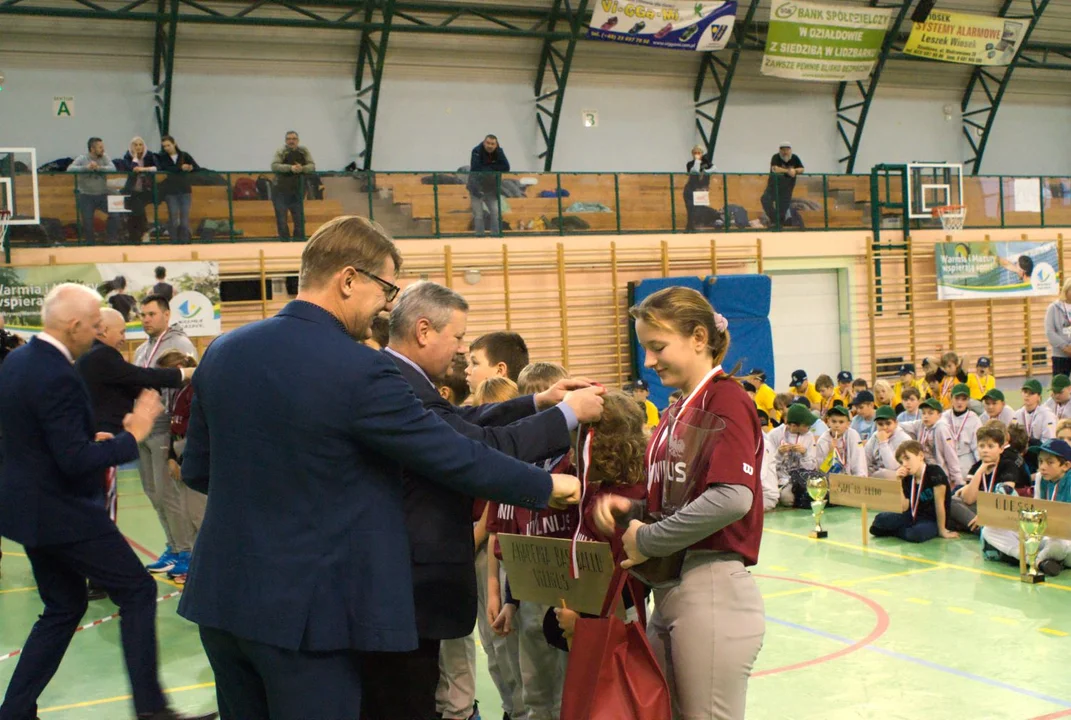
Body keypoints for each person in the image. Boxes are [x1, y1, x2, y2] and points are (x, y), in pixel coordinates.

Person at [177, 216, 582, 719]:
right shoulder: (359, 367)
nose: (387, 304)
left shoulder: (223, 351)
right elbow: (453, 456)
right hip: (309, 612)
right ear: (348, 280)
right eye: (384, 288)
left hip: (223, 601)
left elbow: (199, 470)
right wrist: (545, 485)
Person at [362, 281, 603, 720]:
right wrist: (566, 419)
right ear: (423, 331)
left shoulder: (403, 380)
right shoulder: (396, 383)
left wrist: (537, 402)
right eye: (456, 339)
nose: (458, 352)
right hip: (410, 582)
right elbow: (477, 444)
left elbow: (461, 421)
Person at [0, 283, 215, 720]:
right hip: (65, 513)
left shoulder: (19, 361)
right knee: (136, 592)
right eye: (96, 326)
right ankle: (152, 710)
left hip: (28, 512)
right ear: (75, 326)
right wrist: (131, 435)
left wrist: (85, 438)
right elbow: (75, 462)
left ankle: (15, 709)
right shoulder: (57, 373)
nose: (101, 333)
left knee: (63, 607)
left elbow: (35, 437)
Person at [593, 286, 765, 720]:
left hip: (710, 587)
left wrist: (648, 538)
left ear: (699, 338)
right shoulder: (677, 412)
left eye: (657, 347)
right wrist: (630, 512)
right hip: (673, 590)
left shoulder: (724, 398)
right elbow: (677, 500)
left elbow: (732, 498)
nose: (649, 361)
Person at [133, 294, 200, 579]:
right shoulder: (139, 350)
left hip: (165, 429)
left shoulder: (179, 344)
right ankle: (173, 547)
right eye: (143, 315)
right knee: (153, 493)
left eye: (151, 314)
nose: (146, 319)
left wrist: (176, 440)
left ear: (166, 315)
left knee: (168, 493)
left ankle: (186, 550)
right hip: (144, 428)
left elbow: (184, 390)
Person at [981, 438, 1071, 576]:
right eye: (1040, 461)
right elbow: (1037, 509)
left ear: (1065, 466)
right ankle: (1037, 562)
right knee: (989, 530)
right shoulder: (1041, 478)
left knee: (1058, 545)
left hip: (1065, 540)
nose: (1042, 467)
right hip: (1045, 534)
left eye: (1050, 462)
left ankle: (1036, 560)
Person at [869, 441, 958, 543]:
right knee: (880, 518)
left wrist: (942, 530)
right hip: (911, 515)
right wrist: (898, 481)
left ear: (920, 456)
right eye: (901, 462)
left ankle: (895, 532)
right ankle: (901, 531)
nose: (905, 464)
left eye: (907, 458)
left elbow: (940, 504)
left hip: (930, 519)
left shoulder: (935, 472)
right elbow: (904, 507)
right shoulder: (907, 477)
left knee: (916, 534)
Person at [950, 421, 1029, 533]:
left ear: (1001, 449)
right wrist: (980, 470)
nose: (985, 450)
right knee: (952, 501)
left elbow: (1005, 499)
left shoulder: (1008, 465)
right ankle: (983, 529)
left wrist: (985, 516)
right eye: (981, 446)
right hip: (980, 508)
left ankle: (982, 528)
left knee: (953, 519)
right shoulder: (976, 467)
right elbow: (969, 499)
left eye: (990, 446)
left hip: (1000, 512)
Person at [67, 136, 121, 244]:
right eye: (100, 147)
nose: (103, 149)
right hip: (86, 196)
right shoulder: (82, 158)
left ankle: (111, 239)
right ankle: (90, 245)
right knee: (87, 223)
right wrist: (86, 168)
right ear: (92, 149)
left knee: (116, 214)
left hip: (102, 194)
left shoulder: (104, 157)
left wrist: (99, 168)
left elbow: (113, 168)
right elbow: (69, 169)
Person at [900, 397, 964, 489]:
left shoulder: (942, 428)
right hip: (924, 472)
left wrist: (958, 481)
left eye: (930, 413)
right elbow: (902, 425)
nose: (926, 416)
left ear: (939, 415)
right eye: (923, 413)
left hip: (939, 475)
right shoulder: (921, 424)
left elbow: (951, 455)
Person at [768, 403, 818, 507]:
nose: (809, 428)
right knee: (785, 498)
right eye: (805, 425)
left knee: (791, 498)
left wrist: (805, 453)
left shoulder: (809, 436)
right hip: (778, 478)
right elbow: (768, 465)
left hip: (801, 479)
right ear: (794, 425)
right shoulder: (774, 435)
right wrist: (779, 454)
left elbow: (811, 468)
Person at [271, 131, 316, 240]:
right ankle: (284, 245)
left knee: (299, 221)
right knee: (282, 221)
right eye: (289, 139)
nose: (291, 141)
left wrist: (302, 168)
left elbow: (312, 166)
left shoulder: (303, 151)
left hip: (297, 192)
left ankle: (298, 245)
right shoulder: (281, 151)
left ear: (298, 140)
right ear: (286, 141)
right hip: (280, 192)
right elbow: (274, 166)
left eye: (294, 139)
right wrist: (290, 168)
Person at [156, 135, 200, 243]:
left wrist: (190, 168)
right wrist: (181, 168)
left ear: (174, 143)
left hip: (185, 190)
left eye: (168, 145)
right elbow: (166, 168)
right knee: (173, 219)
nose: (166, 148)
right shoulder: (162, 157)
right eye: (164, 146)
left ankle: (184, 242)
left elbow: (196, 167)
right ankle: (174, 242)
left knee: (184, 220)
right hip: (171, 191)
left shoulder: (184, 155)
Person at [117, 136, 158, 244]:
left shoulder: (149, 156)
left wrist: (143, 169)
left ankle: (141, 232)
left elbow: (156, 168)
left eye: (140, 144)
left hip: (147, 190)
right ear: (131, 147)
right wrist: (135, 157)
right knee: (134, 210)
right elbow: (133, 168)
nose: (138, 147)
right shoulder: (127, 157)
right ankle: (141, 233)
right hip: (131, 190)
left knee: (136, 206)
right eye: (135, 145)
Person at [467, 135, 510, 236]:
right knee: (478, 215)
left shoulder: (499, 152)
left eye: (492, 144)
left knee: (495, 212)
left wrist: (487, 167)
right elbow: (477, 168)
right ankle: (480, 236)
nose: (490, 146)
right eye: (488, 143)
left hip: (491, 188)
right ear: (484, 142)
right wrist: (494, 167)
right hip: (476, 188)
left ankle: (495, 235)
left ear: (496, 145)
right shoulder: (476, 151)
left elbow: (506, 167)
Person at [761, 142, 803, 228]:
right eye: (783, 150)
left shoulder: (795, 158)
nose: (785, 152)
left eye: (787, 150)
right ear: (780, 151)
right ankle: (774, 219)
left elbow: (802, 168)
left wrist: (795, 171)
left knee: (783, 207)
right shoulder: (776, 157)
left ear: (790, 150)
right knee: (765, 199)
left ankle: (778, 224)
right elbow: (775, 169)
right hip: (773, 186)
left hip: (787, 187)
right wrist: (788, 171)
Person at [943, 383, 981, 479]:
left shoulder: (974, 419)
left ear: (968, 400)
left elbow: (977, 447)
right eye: (957, 398)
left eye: (964, 399)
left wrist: (980, 468)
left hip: (966, 460)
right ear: (951, 398)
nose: (960, 402)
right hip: (947, 460)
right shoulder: (944, 417)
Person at [817, 405, 867, 476]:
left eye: (841, 422)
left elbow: (859, 461)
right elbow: (821, 471)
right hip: (831, 481)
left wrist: (860, 482)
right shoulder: (822, 441)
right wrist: (830, 454)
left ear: (848, 424)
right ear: (828, 422)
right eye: (834, 421)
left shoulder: (853, 435)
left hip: (852, 479)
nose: (837, 425)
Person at [865, 405, 911, 478]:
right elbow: (866, 459)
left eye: (888, 423)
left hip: (899, 476)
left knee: (885, 474)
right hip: (877, 474)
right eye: (880, 424)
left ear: (896, 423)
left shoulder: (904, 439)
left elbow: (892, 467)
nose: (884, 427)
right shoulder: (875, 436)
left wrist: (883, 443)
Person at [683, 145, 714, 232]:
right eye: (695, 153)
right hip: (691, 189)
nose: (697, 154)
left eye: (699, 152)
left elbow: (714, 169)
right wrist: (697, 161)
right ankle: (690, 226)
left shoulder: (706, 163)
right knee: (690, 208)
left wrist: (706, 171)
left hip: (701, 190)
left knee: (699, 208)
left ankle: (697, 225)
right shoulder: (690, 164)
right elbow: (695, 170)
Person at [1045, 278, 1071, 376]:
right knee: (1060, 388)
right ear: (1066, 290)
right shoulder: (1054, 308)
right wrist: (1065, 347)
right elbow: (1049, 332)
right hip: (1060, 356)